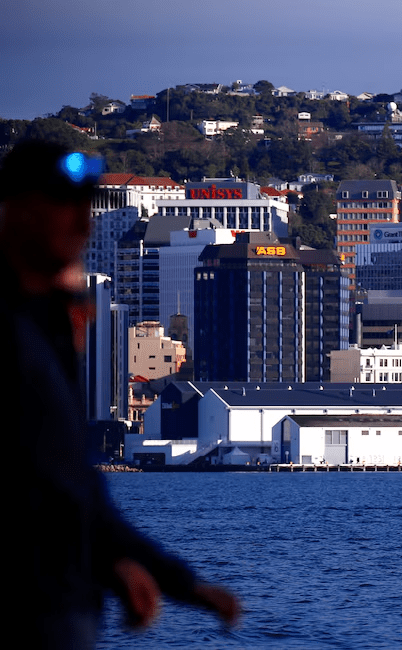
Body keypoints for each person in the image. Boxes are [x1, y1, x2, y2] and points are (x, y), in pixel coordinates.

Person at [0, 140, 239, 647]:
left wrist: (161, 576)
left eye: (84, 210)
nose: (82, 226)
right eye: (63, 209)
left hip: (62, 604)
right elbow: (42, 484)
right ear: (16, 211)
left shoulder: (48, 326)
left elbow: (70, 484)